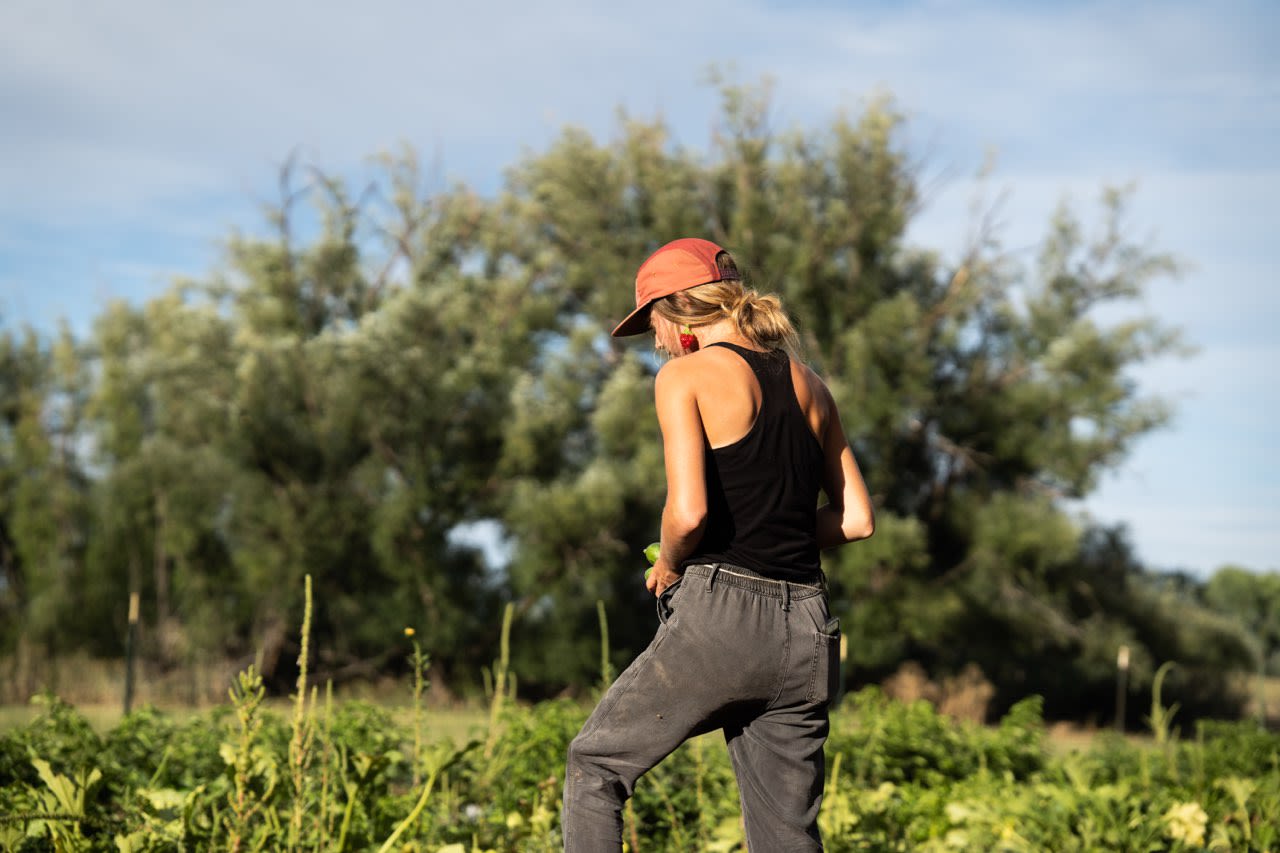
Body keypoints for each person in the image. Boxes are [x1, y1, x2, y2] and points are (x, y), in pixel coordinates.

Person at [561, 237, 874, 852]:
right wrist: (772, 525)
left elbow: (688, 510)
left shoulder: (685, 375)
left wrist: (671, 562)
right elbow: (857, 519)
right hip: (807, 629)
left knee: (595, 766)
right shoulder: (812, 385)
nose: (654, 338)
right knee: (785, 833)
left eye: (652, 321)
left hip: (723, 620)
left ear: (680, 312)